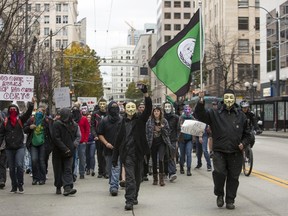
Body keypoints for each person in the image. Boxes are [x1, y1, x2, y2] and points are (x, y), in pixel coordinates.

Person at [194, 89, 253, 210]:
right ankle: (219, 194)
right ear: (223, 99)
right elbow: (199, 115)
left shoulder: (241, 115)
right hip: (219, 151)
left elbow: (248, 134)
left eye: (231, 98)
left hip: (235, 152)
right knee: (219, 174)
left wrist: (243, 143)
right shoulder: (214, 113)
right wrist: (201, 100)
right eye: (227, 97)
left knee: (233, 178)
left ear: (235, 98)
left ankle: (230, 200)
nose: (229, 100)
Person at [112, 84, 152, 211]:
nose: (130, 109)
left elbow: (148, 109)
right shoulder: (121, 123)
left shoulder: (140, 120)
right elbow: (118, 141)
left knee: (138, 177)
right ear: (124, 109)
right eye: (128, 107)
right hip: (127, 154)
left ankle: (135, 196)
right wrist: (115, 157)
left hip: (138, 153)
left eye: (132, 107)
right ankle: (129, 200)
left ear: (135, 109)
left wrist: (145, 94)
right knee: (130, 178)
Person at [0, 98, 35, 193]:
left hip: (20, 147)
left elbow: (28, 114)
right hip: (9, 148)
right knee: (11, 168)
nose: (12, 111)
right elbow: (1, 134)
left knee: (19, 165)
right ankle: (14, 185)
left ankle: (20, 184)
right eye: (11, 109)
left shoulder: (21, 119)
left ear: (17, 111)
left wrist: (31, 104)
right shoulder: (5, 122)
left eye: (14, 109)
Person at [52, 107, 81, 196]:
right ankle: (58, 186)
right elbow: (56, 138)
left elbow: (77, 136)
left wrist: (73, 145)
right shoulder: (57, 124)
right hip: (58, 152)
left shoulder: (74, 125)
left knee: (68, 169)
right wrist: (65, 148)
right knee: (58, 170)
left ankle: (67, 187)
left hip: (70, 152)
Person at [98, 101, 123, 196]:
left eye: (116, 108)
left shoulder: (121, 120)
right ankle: (112, 181)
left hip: (119, 149)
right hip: (108, 149)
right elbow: (100, 134)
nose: (114, 110)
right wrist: (106, 143)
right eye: (112, 108)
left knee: (116, 167)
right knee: (109, 169)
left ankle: (114, 186)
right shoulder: (104, 121)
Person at [24, 106, 53, 185]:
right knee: (34, 160)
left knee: (41, 161)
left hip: (43, 143)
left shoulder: (47, 120)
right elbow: (25, 129)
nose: (39, 112)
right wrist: (30, 127)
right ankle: (35, 178)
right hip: (33, 143)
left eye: (41, 111)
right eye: (38, 111)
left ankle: (42, 178)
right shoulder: (32, 120)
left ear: (44, 113)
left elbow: (51, 132)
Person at [146, 106, 172, 186]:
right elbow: (146, 133)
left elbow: (168, 133)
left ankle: (161, 179)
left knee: (161, 160)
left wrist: (163, 128)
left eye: (158, 111)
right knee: (154, 160)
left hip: (162, 142)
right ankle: (155, 179)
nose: (156, 112)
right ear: (153, 113)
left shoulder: (164, 121)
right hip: (153, 143)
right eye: (155, 111)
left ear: (160, 112)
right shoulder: (149, 121)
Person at [71, 104, 90, 179]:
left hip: (82, 142)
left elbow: (87, 130)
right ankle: (74, 173)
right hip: (73, 142)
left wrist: (85, 140)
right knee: (74, 158)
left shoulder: (84, 119)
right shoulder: (70, 119)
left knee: (82, 158)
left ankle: (82, 172)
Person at [91, 99, 108, 178]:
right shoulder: (95, 114)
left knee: (106, 154)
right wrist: (95, 135)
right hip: (98, 137)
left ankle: (106, 171)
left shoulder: (109, 113)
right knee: (99, 154)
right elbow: (92, 125)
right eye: (100, 104)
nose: (102, 106)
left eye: (103, 104)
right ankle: (100, 171)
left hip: (107, 137)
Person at [178, 105, 195, 176]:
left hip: (189, 139)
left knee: (189, 154)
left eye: (188, 109)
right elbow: (178, 127)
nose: (187, 111)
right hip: (182, 139)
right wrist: (180, 126)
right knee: (182, 155)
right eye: (186, 109)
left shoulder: (192, 118)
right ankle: (181, 166)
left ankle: (188, 169)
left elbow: (196, 128)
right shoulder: (181, 118)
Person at [163, 101, 178, 182]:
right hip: (163, 139)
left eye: (169, 106)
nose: (167, 108)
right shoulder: (161, 117)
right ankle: (165, 172)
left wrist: (177, 140)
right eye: (166, 107)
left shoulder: (175, 118)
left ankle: (172, 172)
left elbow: (178, 129)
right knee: (165, 155)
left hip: (172, 139)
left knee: (170, 155)